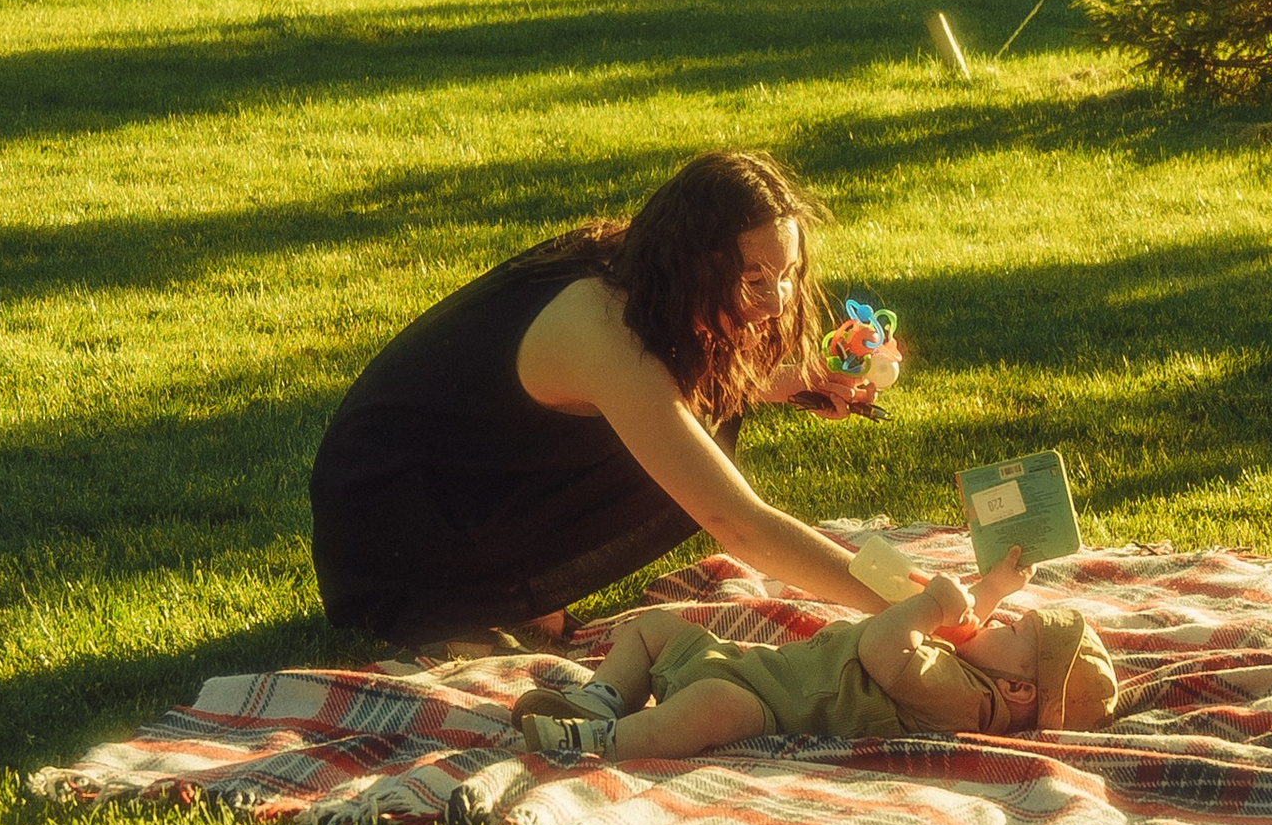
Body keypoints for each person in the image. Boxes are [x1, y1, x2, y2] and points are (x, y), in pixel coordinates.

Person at [309, 149, 905, 648]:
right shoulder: (600, 326)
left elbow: (676, 387)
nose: (777, 302)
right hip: (386, 526)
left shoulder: (640, 275)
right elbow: (738, 523)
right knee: (689, 458)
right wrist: (908, 601)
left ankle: (501, 590)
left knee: (691, 427)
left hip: (457, 481)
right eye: (754, 280)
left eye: (789, 274)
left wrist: (794, 377)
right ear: (692, 262)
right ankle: (455, 603)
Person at [516, 545, 1120, 765]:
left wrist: (931, 607)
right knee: (653, 627)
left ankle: (599, 744)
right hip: (745, 663)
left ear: (1015, 693)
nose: (1001, 623)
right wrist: (993, 588)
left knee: (709, 706)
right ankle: (600, 700)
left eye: (1017, 631)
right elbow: (972, 627)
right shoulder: (979, 674)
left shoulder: (963, 700)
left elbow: (883, 647)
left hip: (761, 705)